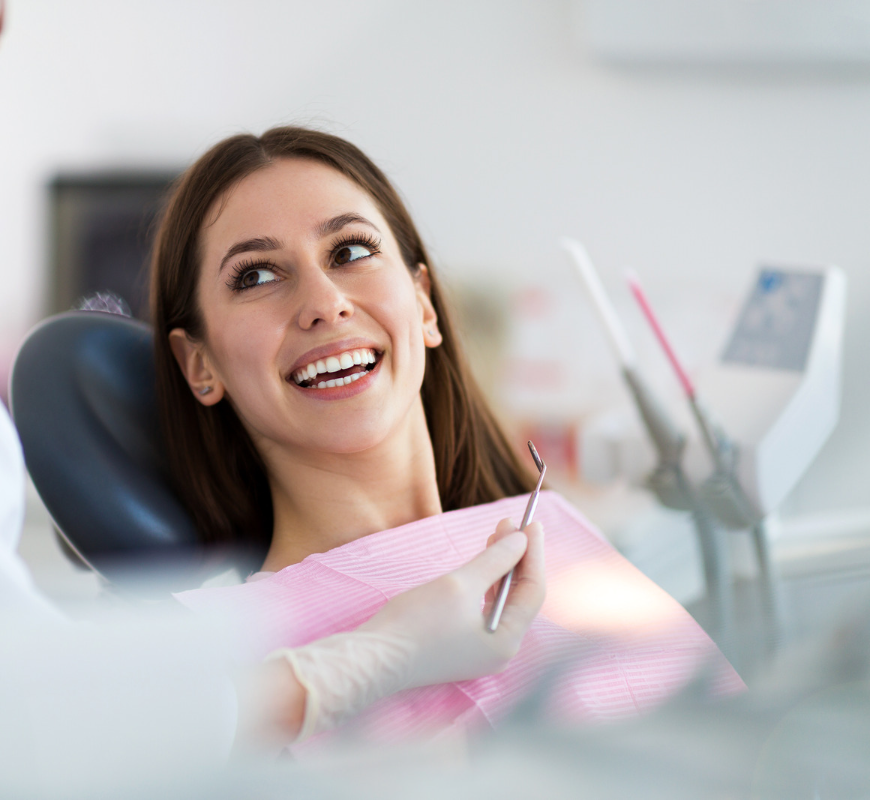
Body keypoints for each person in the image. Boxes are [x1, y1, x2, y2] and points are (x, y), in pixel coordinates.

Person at [152, 126, 744, 753]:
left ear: (425, 305)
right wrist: (377, 660)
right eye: (256, 275)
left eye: (350, 252)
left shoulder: (550, 536)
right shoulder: (210, 659)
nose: (324, 304)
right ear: (201, 366)